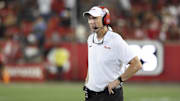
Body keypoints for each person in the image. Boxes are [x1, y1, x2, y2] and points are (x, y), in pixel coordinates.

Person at [83, 6, 142, 101]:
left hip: (109, 94)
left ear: (105, 19)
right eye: (89, 18)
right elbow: (93, 62)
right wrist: (88, 80)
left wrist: (118, 81)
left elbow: (137, 64)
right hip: (92, 95)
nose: (91, 21)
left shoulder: (115, 40)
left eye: (95, 18)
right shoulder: (90, 39)